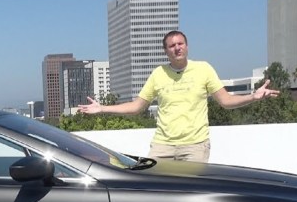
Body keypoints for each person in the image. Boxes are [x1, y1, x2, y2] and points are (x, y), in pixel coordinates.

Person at [77, 30, 279, 163]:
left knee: (190, 195)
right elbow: (137, 106)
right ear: (166, 51)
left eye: (180, 43)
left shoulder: (203, 69)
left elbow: (226, 101)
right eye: (172, 46)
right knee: (156, 190)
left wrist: (253, 96)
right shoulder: (158, 73)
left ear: (187, 46)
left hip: (195, 146)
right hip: (162, 146)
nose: (177, 48)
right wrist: (102, 108)